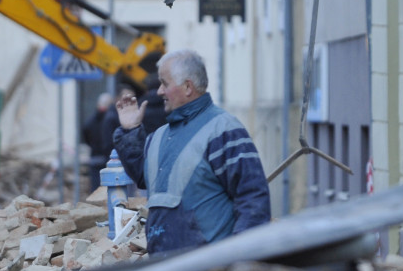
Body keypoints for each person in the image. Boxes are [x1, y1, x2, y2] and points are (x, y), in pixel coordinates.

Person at [112, 49, 271, 255]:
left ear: (187, 87)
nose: (159, 91)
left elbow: (253, 200)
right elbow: (145, 177)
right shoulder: (159, 136)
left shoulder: (224, 131)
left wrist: (240, 259)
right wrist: (130, 131)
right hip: (164, 268)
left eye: (164, 83)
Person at [81, 92, 114, 194]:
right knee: (110, 190)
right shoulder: (112, 119)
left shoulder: (90, 120)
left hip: (95, 157)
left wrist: (93, 145)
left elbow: (85, 135)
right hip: (109, 157)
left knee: (96, 190)